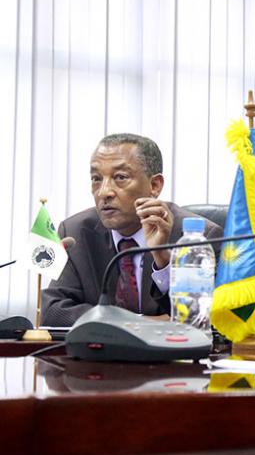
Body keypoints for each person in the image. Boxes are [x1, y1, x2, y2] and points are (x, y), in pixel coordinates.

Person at [41, 133, 222, 326]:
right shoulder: (75, 232)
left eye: (120, 177)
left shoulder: (199, 239)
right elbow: (53, 311)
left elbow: (203, 318)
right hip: (98, 355)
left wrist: (162, 259)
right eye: (96, 178)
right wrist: (141, 324)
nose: (104, 192)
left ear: (154, 185)